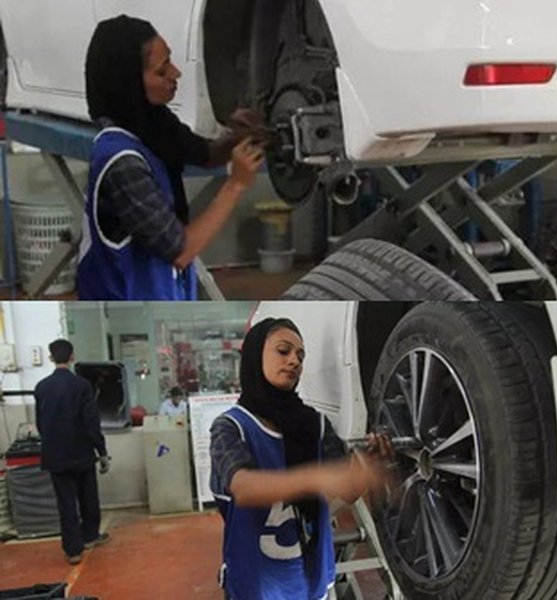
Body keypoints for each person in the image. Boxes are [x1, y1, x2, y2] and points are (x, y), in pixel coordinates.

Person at [79, 15, 266, 301]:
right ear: (129, 82)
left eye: (171, 61)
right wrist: (236, 184)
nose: (176, 73)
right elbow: (181, 251)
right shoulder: (121, 162)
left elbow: (205, 154)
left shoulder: (150, 122)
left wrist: (236, 137)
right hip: (127, 299)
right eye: (161, 70)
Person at [209, 318, 392, 600]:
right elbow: (244, 489)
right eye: (283, 351)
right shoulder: (231, 428)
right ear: (255, 356)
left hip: (310, 581)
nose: (294, 361)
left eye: (300, 356)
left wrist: (366, 466)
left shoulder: (315, 424)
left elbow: (345, 492)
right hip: (256, 585)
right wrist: (314, 477)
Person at [34, 339, 112, 564]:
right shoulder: (82, 386)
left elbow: (41, 423)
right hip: (81, 453)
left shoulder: (41, 387)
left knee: (65, 502)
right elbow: (91, 422)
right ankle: (90, 536)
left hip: (55, 456)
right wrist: (102, 451)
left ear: (50, 358)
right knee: (88, 497)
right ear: (72, 357)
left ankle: (73, 550)